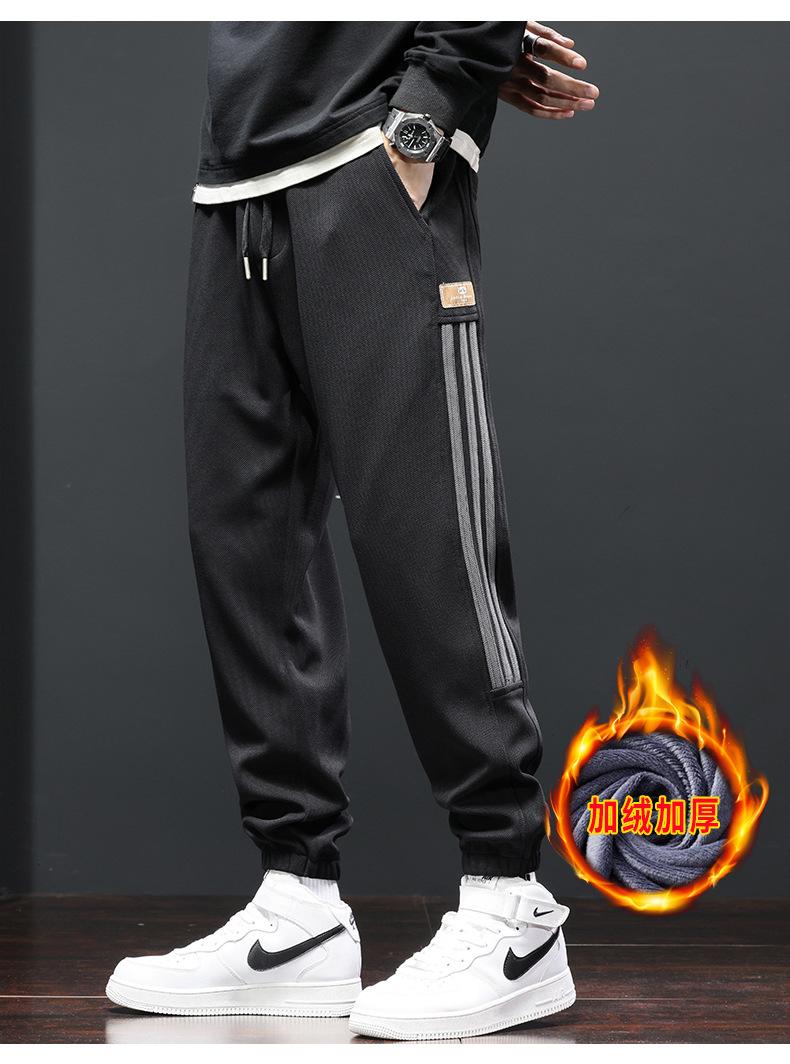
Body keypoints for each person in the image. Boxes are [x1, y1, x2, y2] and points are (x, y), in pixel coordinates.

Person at [106, 21, 599, 1040]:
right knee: (245, 542)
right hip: (238, 172)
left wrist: (429, 110)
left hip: (368, 154)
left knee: (423, 531)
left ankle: (510, 899)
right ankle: (298, 907)